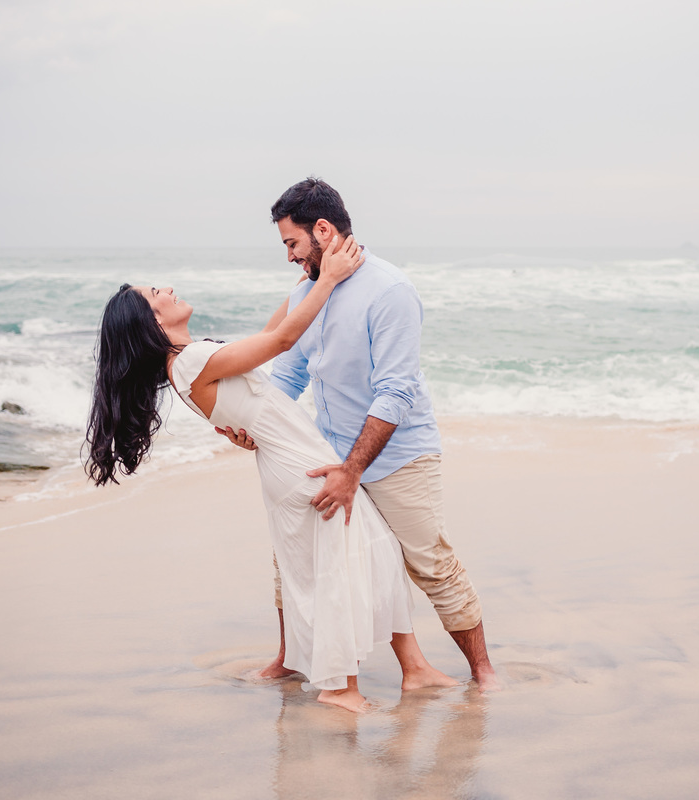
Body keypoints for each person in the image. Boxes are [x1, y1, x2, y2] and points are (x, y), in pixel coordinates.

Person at [84, 234, 458, 713]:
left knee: (374, 554)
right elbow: (281, 342)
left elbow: (264, 340)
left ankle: (416, 668)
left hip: (295, 461)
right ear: (152, 320)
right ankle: (339, 686)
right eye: (158, 293)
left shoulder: (187, 358)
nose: (169, 290)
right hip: (300, 469)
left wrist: (305, 283)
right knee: (338, 569)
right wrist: (330, 281)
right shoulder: (190, 361)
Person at [218, 178, 499, 691]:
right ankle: (290, 659)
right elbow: (290, 373)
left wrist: (354, 470)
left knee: (430, 563)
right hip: (326, 450)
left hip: (397, 457)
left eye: (292, 243)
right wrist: (256, 428)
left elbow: (396, 393)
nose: (288, 256)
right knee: (295, 552)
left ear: (322, 230)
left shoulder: (390, 291)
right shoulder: (308, 290)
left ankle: (484, 674)